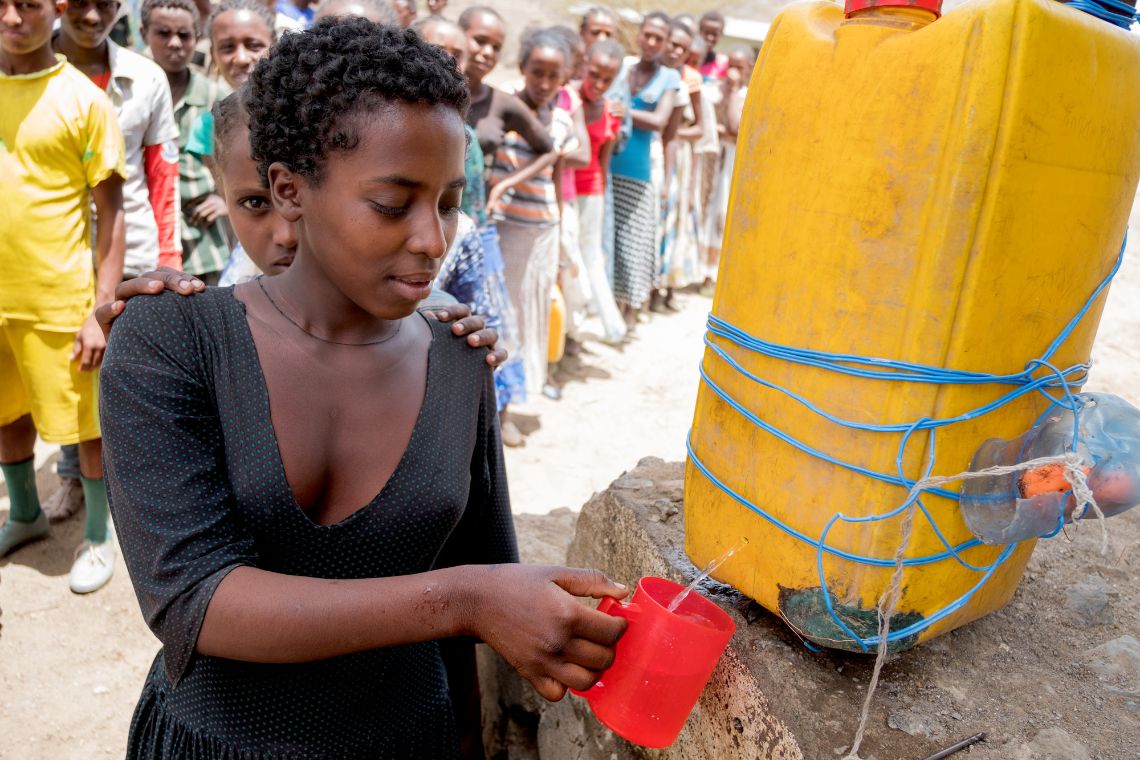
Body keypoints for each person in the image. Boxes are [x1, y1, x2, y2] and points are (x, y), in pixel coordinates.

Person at [102, 19, 627, 758]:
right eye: (392, 203)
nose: (431, 240)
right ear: (289, 189)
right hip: (218, 742)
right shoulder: (174, 340)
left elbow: (481, 580)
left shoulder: (459, 360)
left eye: (446, 202)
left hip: (408, 736)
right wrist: (465, 601)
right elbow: (195, 601)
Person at [0, 0, 127, 594]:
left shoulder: (84, 100)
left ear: (51, 9)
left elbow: (111, 216)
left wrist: (98, 311)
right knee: (7, 412)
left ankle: (98, 536)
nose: (10, 18)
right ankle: (25, 513)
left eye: (24, 4)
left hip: (59, 298)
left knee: (85, 424)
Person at [47, 0, 180, 535]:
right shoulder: (22, 65)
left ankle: (128, 500)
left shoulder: (144, 78)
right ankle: (69, 477)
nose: (92, 14)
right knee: (62, 367)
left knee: (121, 373)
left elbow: (160, 174)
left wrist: (169, 260)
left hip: (131, 248)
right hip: (51, 249)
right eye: (80, 2)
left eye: (105, 3)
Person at [489, 29, 576, 401]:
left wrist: (559, 240)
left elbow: (555, 182)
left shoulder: (562, 122)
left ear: (565, 79)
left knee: (527, 318)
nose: (543, 83)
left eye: (553, 76)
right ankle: (494, 399)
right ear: (522, 67)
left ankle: (511, 399)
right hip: (501, 226)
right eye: (536, 72)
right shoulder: (503, 103)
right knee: (497, 312)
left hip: (540, 230)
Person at [141, 0, 231, 286]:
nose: (175, 43)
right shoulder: (133, 93)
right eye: (163, 33)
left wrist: (224, 198)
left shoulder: (215, 96)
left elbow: (245, 159)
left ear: (198, 37)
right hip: (146, 236)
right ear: (144, 34)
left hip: (201, 240)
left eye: (184, 35)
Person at [609, 11, 677, 330]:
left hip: (638, 172)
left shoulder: (670, 79)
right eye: (647, 35)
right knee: (609, 239)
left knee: (633, 243)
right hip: (608, 165)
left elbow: (661, 122)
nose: (651, 42)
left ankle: (631, 312)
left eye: (658, 38)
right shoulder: (622, 68)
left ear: (665, 43)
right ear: (639, 35)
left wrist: (624, 112)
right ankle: (610, 308)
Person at [573, 38, 627, 344]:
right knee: (571, 255)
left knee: (591, 254)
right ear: (583, 66)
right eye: (594, 74)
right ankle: (579, 319)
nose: (599, 83)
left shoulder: (610, 112)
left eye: (607, 79)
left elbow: (603, 161)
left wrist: (601, 195)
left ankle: (611, 324)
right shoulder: (567, 98)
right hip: (566, 189)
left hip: (591, 190)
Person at [701, 45, 753, 294]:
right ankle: (702, 271)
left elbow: (735, 126)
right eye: (730, 65)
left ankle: (716, 274)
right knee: (707, 208)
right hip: (713, 158)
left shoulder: (746, 96)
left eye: (739, 67)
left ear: (748, 70)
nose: (733, 71)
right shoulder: (713, 91)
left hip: (732, 161)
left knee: (723, 212)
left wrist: (733, 92)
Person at [697, 10, 727, 81]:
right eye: (706, 32)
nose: (710, 37)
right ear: (699, 31)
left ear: (721, 34)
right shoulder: (686, 58)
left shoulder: (723, 64)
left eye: (715, 34)